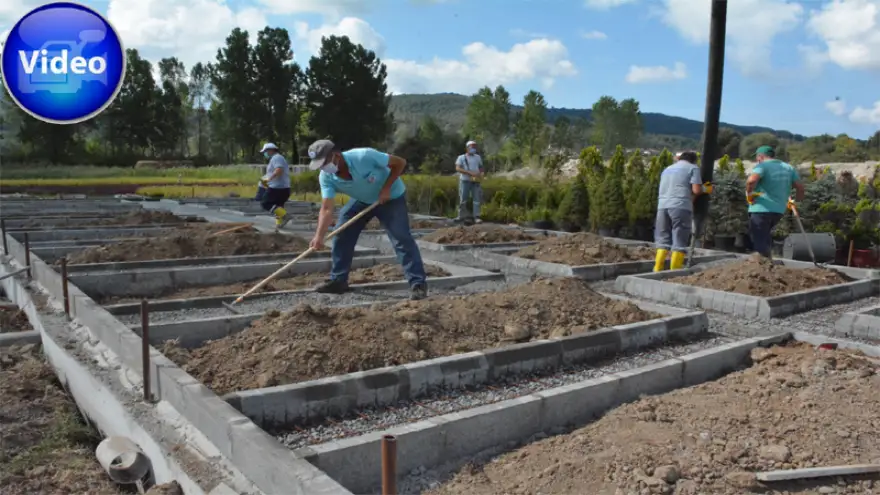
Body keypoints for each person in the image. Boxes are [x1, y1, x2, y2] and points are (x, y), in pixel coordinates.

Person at [306, 139, 428, 300]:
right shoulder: (326, 177)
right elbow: (327, 208)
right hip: (362, 201)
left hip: (391, 198)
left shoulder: (364, 156)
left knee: (401, 237)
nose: (323, 168)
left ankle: (417, 283)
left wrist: (386, 188)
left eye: (324, 162)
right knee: (342, 233)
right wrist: (319, 236)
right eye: (319, 165)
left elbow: (400, 163)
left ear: (335, 156)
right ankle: (338, 280)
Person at [653, 151, 711, 272]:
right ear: (693, 160)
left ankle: (657, 269)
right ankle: (675, 271)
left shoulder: (667, 169)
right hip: (680, 206)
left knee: (663, 239)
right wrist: (706, 188)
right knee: (679, 239)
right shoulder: (693, 168)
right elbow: (696, 190)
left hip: (662, 206)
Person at [745, 145, 804, 257]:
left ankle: (761, 266)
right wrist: (796, 201)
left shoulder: (763, 166)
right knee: (764, 236)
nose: (757, 160)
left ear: (760, 156)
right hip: (778, 211)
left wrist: (749, 195)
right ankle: (768, 264)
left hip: (760, 208)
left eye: (757, 158)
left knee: (758, 240)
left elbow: (751, 181)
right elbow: (800, 188)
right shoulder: (788, 168)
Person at [259, 143, 292, 231]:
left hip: (277, 187)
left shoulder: (277, 158)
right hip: (282, 187)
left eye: (265, 151)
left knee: (265, 203)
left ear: (271, 150)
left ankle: (285, 215)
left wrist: (269, 179)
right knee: (278, 206)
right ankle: (279, 225)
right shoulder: (276, 158)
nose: (264, 154)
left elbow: (279, 170)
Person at [454, 140, 484, 224]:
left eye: (475, 147)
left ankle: (476, 216)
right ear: (467, 148)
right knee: (463, 199)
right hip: (465, 181)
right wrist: (469, 173)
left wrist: (481, 173)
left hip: (476, 181)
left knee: (476, 199)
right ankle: (461, 216)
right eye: (472, 147)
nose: (473, 149)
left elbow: (481, 167)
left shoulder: (478, 157)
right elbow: (458, 168)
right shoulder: (461, 157)